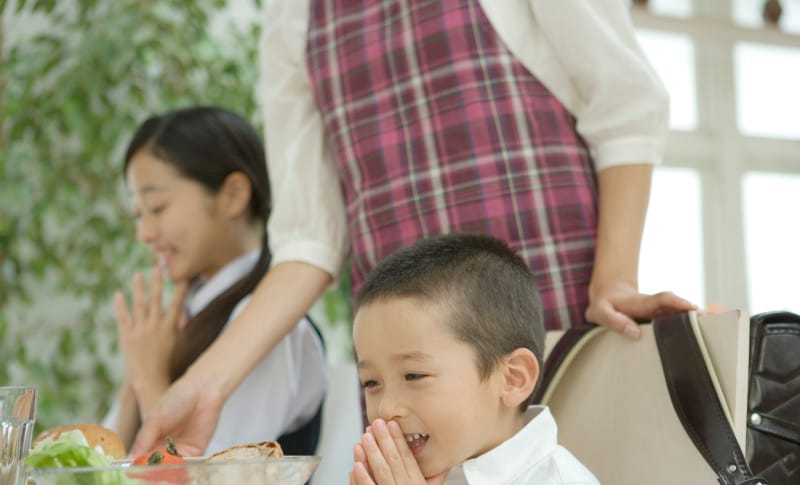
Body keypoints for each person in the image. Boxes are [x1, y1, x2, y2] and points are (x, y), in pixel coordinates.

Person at [130, 1, 694, 457]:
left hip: (548, 305)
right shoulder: (293, 14)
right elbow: (308, 239)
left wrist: (614, 278)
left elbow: (623, 103)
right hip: (402, 358)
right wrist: (202, 386)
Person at [348, 233, 628, 485]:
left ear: (513, 378)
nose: (386, 409)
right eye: (371, 382)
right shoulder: (426, 474)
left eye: (414, 375)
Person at [108, 106, 327, 457]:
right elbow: (106, 461)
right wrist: (137, 376)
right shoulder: (179, 320)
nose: (144, 233)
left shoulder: (272, 328)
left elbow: (217, 476)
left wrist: (149, 380)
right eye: (138, 214)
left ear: (234, 195)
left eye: (157, 207)